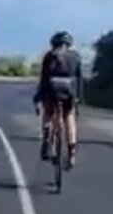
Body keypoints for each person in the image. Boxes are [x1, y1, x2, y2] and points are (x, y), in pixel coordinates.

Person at [33, 31, 83, 169]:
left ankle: (46, 142)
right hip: (69, 92)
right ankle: (71, 151)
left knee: (48, 115)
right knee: (70, 118)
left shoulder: (49, 56)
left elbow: (43, 79)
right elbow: (79, 79)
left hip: (52, 91)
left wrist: (38, 98)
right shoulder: (75, 57)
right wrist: (78, 97)